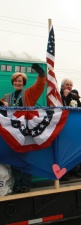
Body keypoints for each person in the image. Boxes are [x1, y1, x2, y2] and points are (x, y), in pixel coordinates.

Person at [1, 63, 46, 193]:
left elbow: (39, 86)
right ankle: (17, 185)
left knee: (25, 158)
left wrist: (41, 74)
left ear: (23, 82)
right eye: (15, 80)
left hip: (25, 129)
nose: (17, 82)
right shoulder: (7, 97)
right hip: (12, 132)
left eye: (20, 81)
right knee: (14, 158)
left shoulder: (29, 93)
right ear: (13, 82)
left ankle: (26, 185)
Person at [60, 80, 81, 180]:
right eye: (67, 85)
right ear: (62, 86)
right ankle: (64, 173)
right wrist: (64, 97)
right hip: (63, 126)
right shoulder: (57, 94)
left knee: (75, 149)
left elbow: (80, 107)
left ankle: (75, 170)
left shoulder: (74, 95)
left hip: (74, 126)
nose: (69, 87)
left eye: (71, 85)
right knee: (64, 150)